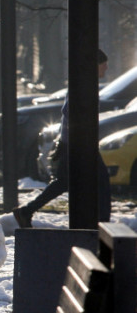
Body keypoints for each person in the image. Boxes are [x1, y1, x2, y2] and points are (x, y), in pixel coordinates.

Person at [13, 49, 110, 228]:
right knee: (101, 181)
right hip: (79, 144)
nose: (106, 68)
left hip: (73, 143)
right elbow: (69, 111)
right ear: (95, 66)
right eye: (104, 65)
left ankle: (26, 211)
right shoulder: (84, 84)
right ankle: (103, 225)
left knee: (64, 182)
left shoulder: (83, 82)